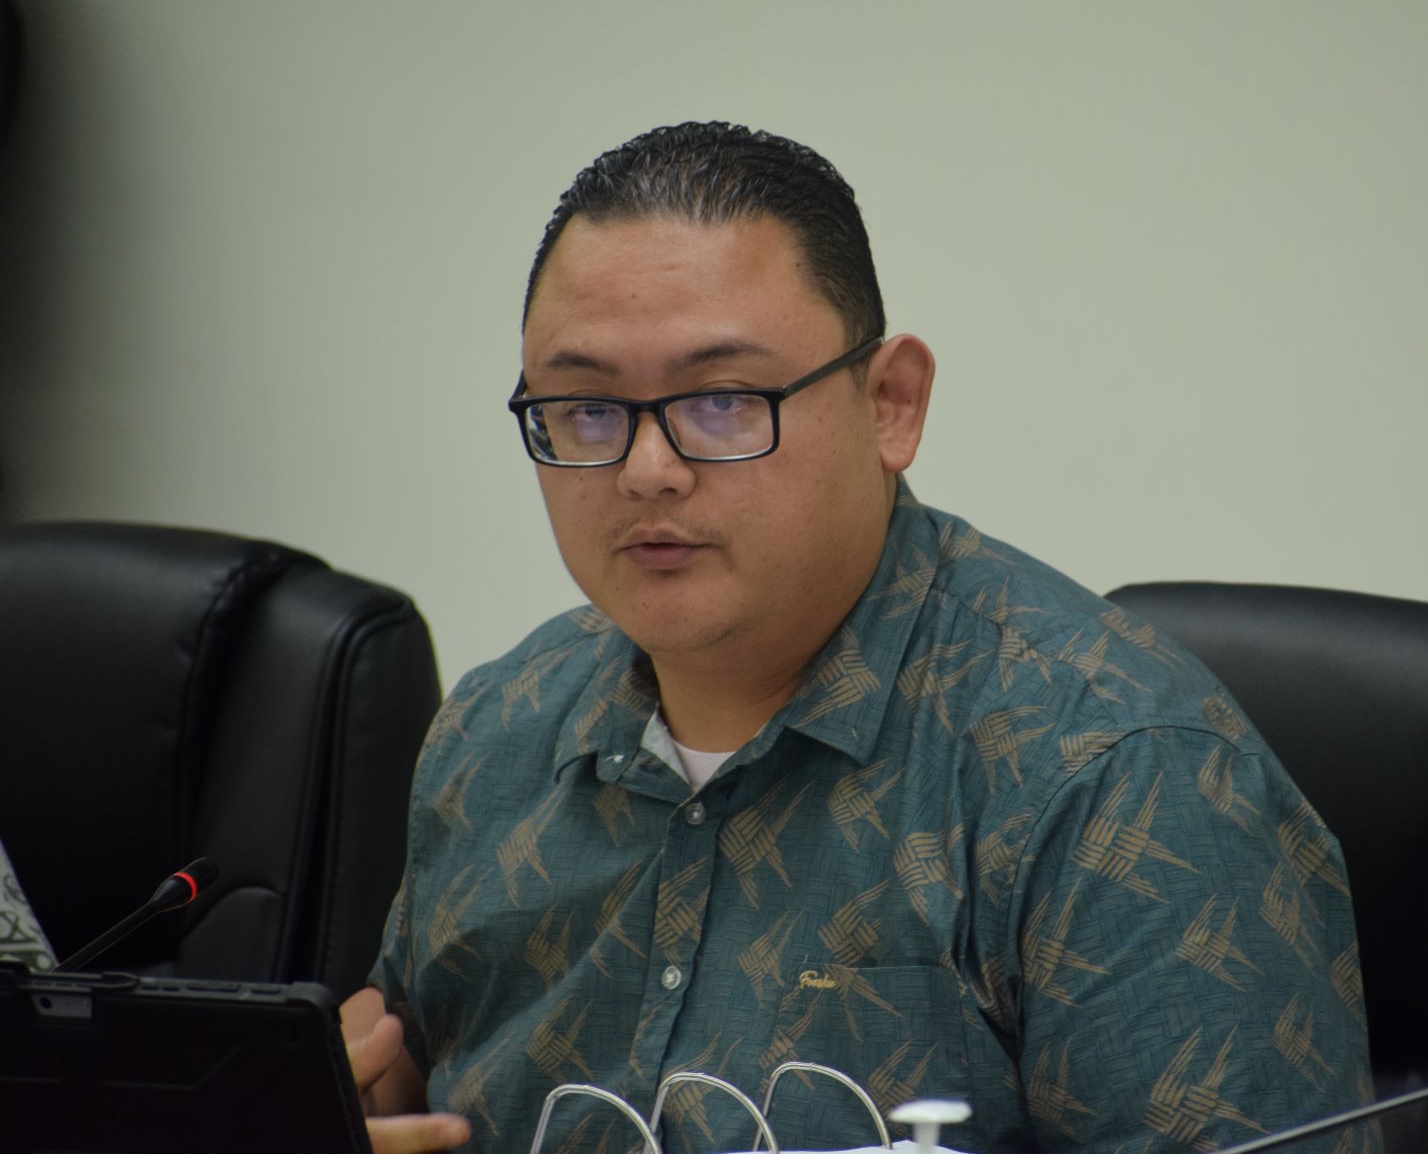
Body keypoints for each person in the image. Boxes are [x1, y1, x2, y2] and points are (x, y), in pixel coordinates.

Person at [346, 121, 1376, 1154]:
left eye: (719, 401)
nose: (646, 470)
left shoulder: (1120, 780)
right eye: (586, 409)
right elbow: (406, 1091)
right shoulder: (493, 733)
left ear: (891, 404)